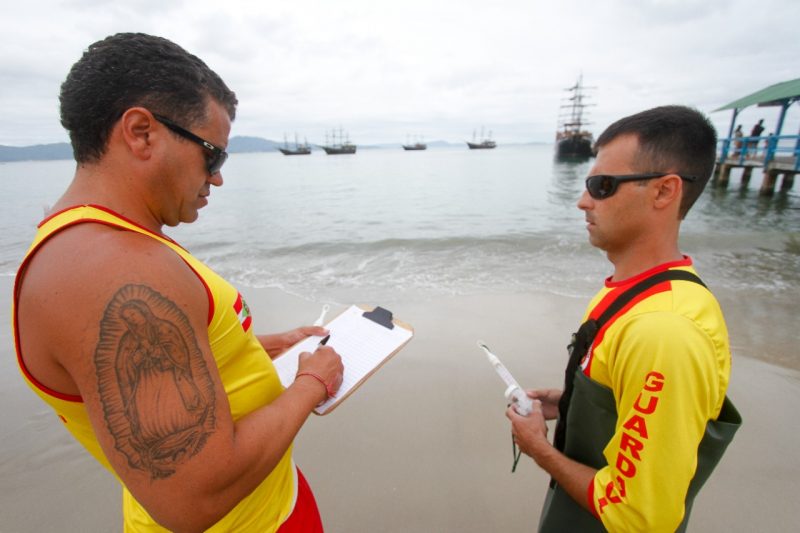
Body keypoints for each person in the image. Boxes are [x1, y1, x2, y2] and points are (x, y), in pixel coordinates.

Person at [12, 33, 344, 532]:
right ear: (142, 132)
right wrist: (311, 384)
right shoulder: (110, 270)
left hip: (273, 507)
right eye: (213, 155)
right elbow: (194, 497)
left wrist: (258, 348)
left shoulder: (109, 243)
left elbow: (165, 362)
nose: (217, 179)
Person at [506, 106, 741, 532]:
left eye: (602, 186)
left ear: (665, 192)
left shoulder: (665, 331)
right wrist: (570, 403)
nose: (583, 201)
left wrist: (539, 448)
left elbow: (640, 516)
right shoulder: (634, 290)